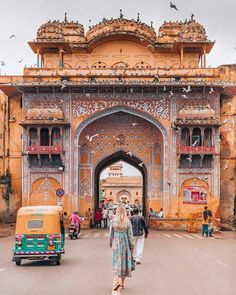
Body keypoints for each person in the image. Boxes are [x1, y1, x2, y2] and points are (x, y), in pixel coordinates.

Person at [109, 205, 134, 291]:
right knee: (124, 263)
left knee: (116, 262)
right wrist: (132, 247)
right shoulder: (128, 222)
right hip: (125, 244)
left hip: (116, 244)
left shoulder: (113, 222)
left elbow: (110, 235)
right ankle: (122, 283)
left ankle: (117, 281)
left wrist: (110, 244)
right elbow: (130, 236)